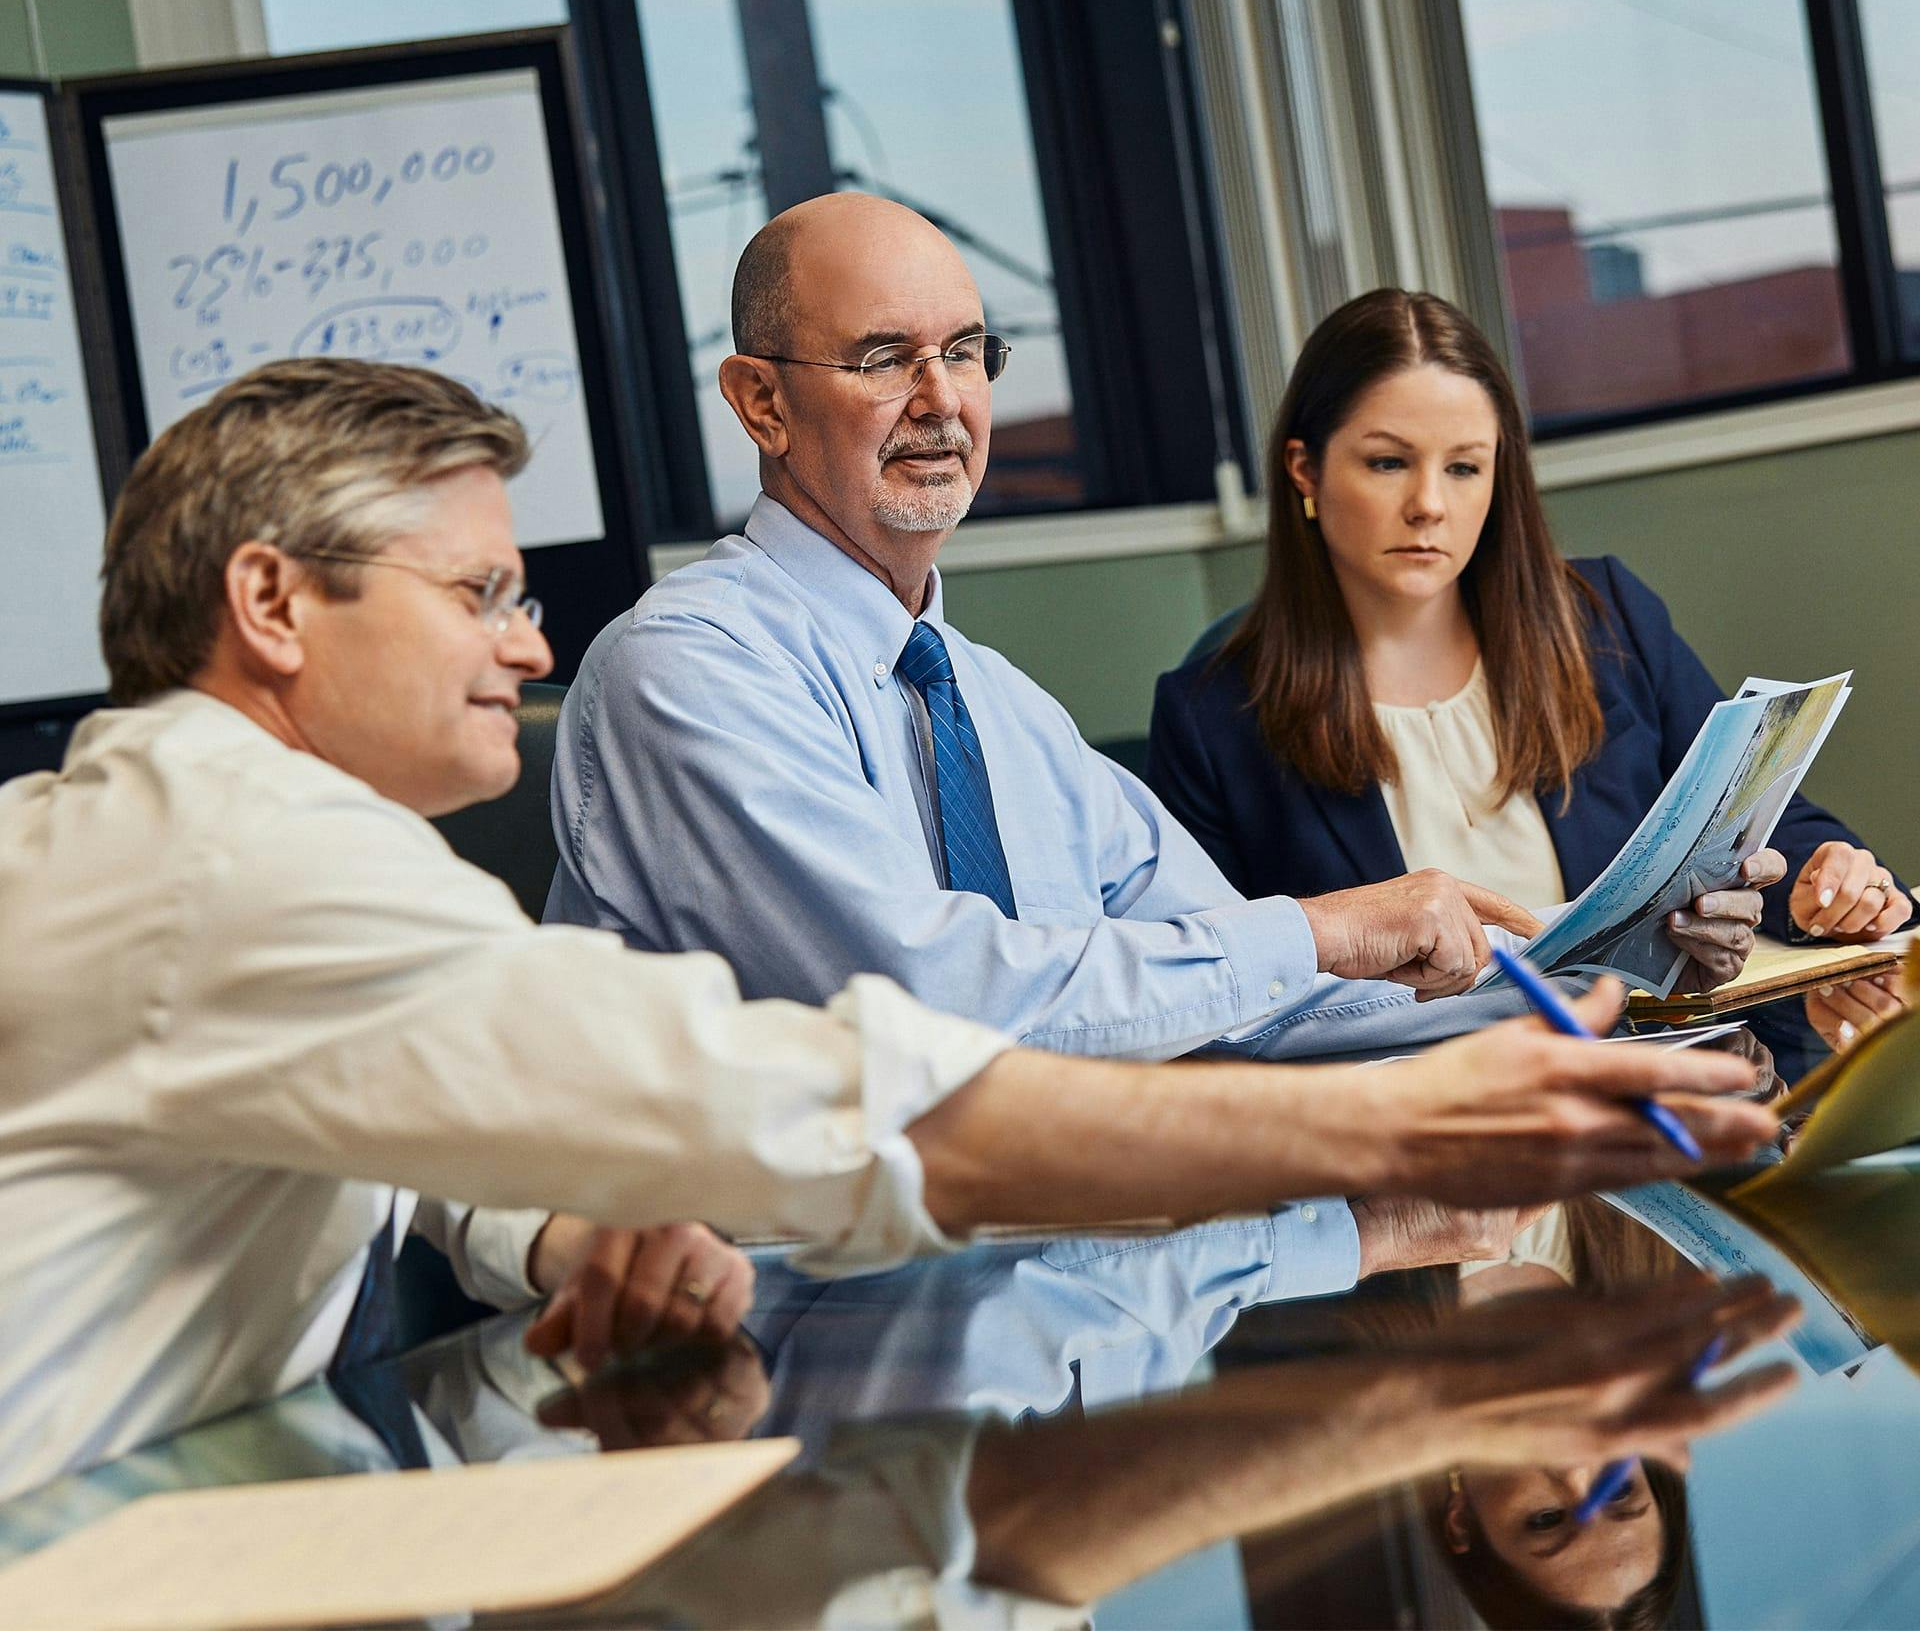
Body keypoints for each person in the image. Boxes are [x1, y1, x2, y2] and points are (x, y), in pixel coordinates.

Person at [0, 357, 1775, 1500]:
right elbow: (848, 1089)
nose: (530, 645)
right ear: (268, 603)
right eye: (479, 592)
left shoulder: (243, 846)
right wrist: (1404, 1131)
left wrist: (563, 1228)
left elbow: (407, 1101)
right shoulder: (226, 855)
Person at [547, 192, 1544, 1067]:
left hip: (1058, 1249)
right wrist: (1318, 929)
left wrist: (1584, 986)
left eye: (968, 352)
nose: (942, 400)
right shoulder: (687, 668)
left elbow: (1253, 993)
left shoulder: (1001, 708)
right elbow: (934, 1007)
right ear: (762, 404)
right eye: (886, 358)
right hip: (789, 1272)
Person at [1149, 288, 1910, 991]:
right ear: (1305, 469)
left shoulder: (1605, 618)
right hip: (1418, 1100)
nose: (1429, 506)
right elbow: (1211, 979)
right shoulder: (1213, 718)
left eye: (1464, 468)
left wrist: (1826, 884)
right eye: (1388, 463)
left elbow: (1764, 830)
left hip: (1650, 1061)